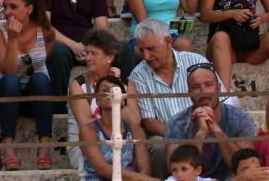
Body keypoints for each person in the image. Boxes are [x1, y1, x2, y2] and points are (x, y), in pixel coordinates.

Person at [128, 18, 230, 179]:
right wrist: (179, 135)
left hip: (205, 127)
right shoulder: (138, 75)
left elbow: (222, 102)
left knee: (224, 135)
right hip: (166, 134)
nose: (146, 56)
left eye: (151, 49)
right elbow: (148, 121)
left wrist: (203, 129)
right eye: (142, 50)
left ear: (168, 42)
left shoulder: (196, 61)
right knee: (158, 145)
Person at [0, 0, 54, 171]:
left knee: (40, 79)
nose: (7, 12)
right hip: (4, 93)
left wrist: (35, 62)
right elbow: (8, 69)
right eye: (5, 7)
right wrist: (13, 39)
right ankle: (9, 146)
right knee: (11, 80)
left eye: (13, 7)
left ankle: (44, 146)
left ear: (29, 9)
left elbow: (49, 46)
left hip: (32, 96)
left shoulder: (45, 31)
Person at [166, 63, 255, 180]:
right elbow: (172, 168)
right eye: (196, 87)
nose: (203, 91)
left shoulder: (240, 119)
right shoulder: (177, 122)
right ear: (189, 93)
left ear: (218, 88)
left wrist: (216, 130)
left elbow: (246, 166)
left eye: (208, 85)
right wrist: (201, 133)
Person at [66, 28, 128, 173]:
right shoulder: (78, 85)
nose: (87, 58)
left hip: (119, 142)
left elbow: (133, 121)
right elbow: (87, 125)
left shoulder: (124, 84)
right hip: (86, 146)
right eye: (87, 53)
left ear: (110, 57)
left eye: (93, 53)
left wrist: (116, 88)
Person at [78, 75, 152, 181]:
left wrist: (142, 178)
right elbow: (103, 169)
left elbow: (145, 169)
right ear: (97, 101)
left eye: (115, 90)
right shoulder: (88, 130)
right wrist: (141, 178)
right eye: (105, 90)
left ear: (122, 100)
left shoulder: (136, 131)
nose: (111, 93)